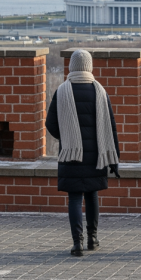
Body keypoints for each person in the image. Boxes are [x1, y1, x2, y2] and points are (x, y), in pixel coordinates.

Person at [46, 49, 120, 257]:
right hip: (97, 154)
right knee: (92, 195)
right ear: (89, 67)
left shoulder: (62, 90)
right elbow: (111, 126)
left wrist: (67, 137)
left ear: (72, 67)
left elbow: (50, 124)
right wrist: (115, 157)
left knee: (75, 198)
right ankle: (92, 239)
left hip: (71, 155)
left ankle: (77, 243)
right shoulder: (100, 91)